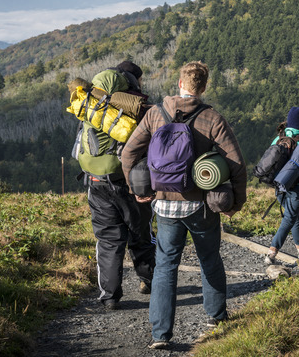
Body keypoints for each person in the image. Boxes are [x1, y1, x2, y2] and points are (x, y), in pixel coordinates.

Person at [120, 61, 247, 350]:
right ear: (203, 87)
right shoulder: (211, 118)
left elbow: (128, 154)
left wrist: (136, 188)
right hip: (200, 206)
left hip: (164, 205)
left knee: (165, 266)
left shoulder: (155, 114)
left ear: (179, 83)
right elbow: (237, 164)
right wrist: (235, 203)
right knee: (209, 259)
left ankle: (160, 335)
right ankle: (217, 319)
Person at [80, 61, 155, 310]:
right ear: (131, 81)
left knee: (108, 240)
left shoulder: (91, 103)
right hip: (128, 181)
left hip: (95, 181)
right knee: (141, 232)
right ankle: (150, 280)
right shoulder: (133, 106)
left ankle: (110, 296)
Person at [264, 107, 299, 265]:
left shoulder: (278, 139)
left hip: (279, 186)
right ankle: (271, 254)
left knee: (294, 217)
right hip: (297, 188)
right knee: (289, 218)